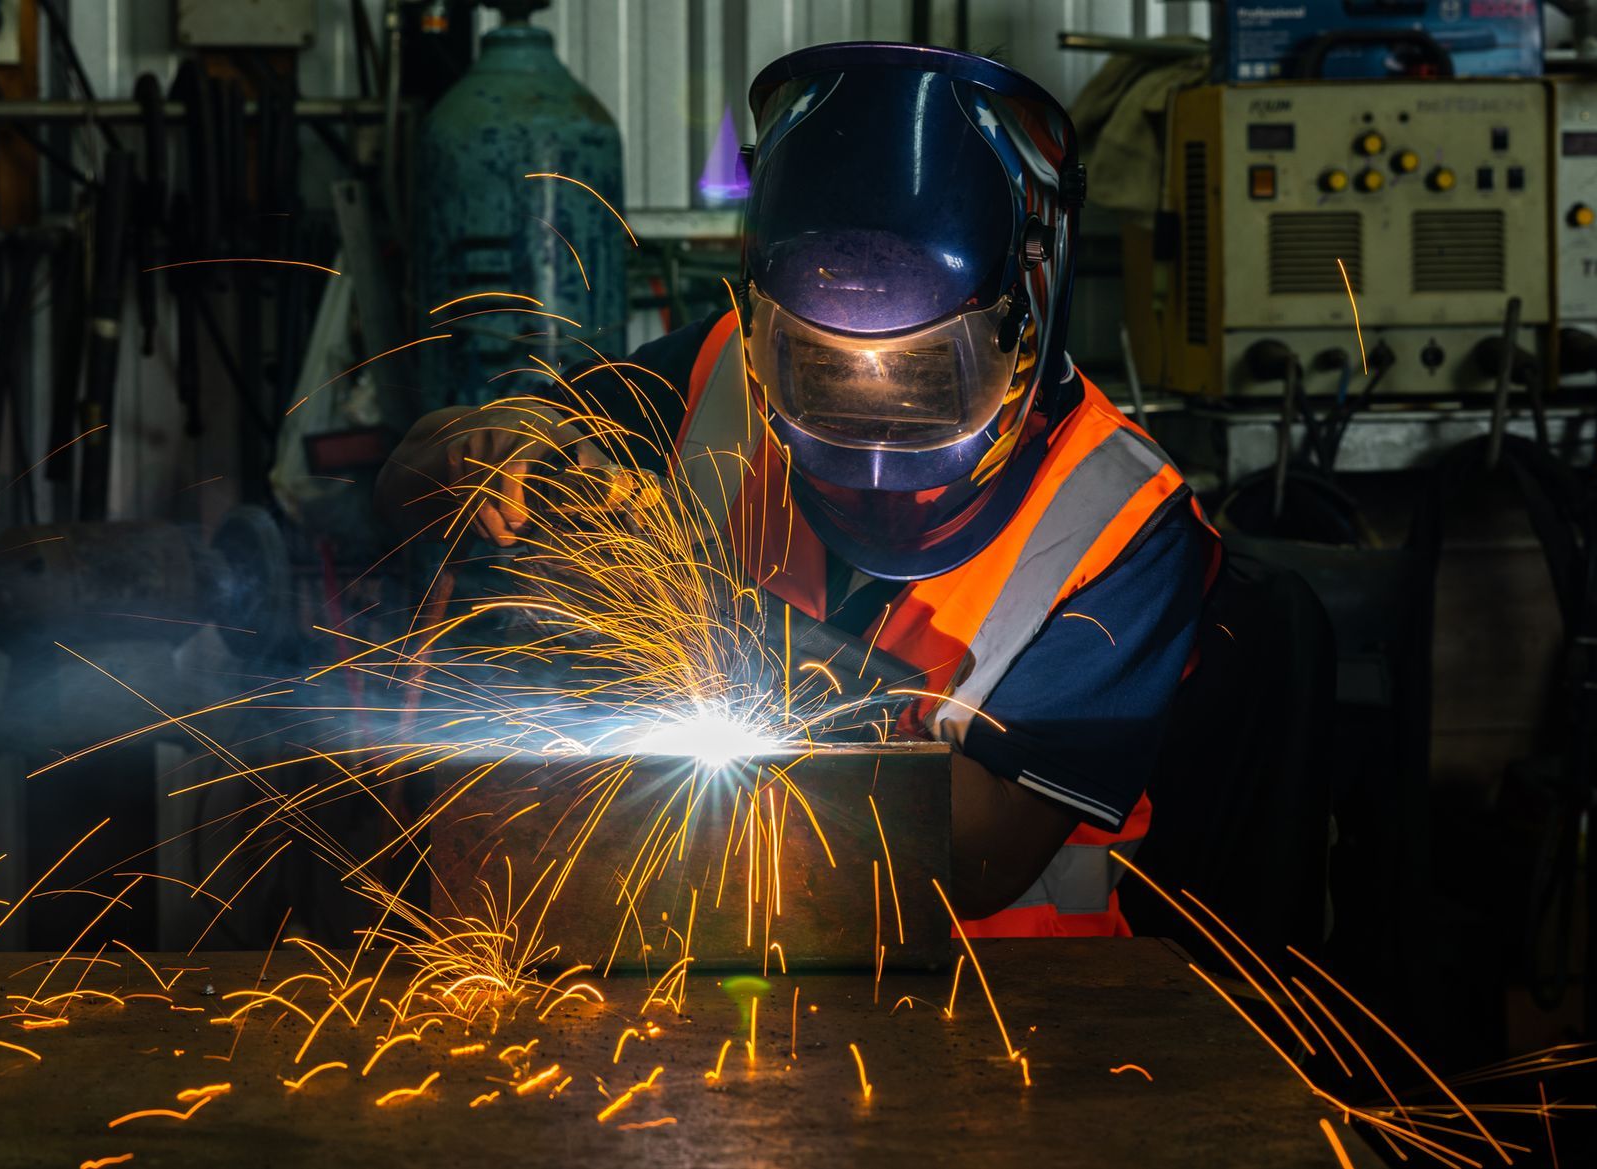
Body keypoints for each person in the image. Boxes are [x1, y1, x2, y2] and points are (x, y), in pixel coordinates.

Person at [379, 42, 1219, 936]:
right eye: (820, 372)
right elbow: (407, 482)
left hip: (1015, 1018)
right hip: (723, 968)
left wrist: (713, 630)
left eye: (924, 379)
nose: (872, 428)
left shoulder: (1124, 523)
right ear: (765, 329)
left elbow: (981, 855)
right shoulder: (715, 378)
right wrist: (492, 450)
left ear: (1023, 311)